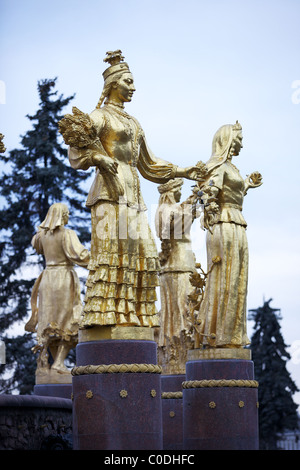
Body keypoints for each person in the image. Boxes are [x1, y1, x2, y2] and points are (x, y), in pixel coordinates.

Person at [61, 50, 206, 329]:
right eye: (128, 81)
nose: (134, 87)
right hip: (109, 192)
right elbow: (76, 151)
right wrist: (100, 158)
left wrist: (184, 170)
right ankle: (106, 316)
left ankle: (132, 316)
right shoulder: (99, 116)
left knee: (140, 252)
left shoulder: (133, 122)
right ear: (113, 84)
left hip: (133, 196)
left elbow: (149, 165)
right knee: (112, 250)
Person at [196, 121, 262, 349]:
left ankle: (232, 335)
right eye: (239, 139)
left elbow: (229, 192)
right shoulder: (217, 167)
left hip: (236, 224)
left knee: (237, 280)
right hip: (224, 226)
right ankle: (219, 334)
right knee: (226, 278)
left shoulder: (230, 168)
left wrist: (246, 186)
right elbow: (207, 194)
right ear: (227, 140)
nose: (242, 144)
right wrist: (208, 204)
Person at [25, 203, 90, 375]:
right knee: (67, 321)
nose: (68, 216)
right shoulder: (67, 234)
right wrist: (99, 261)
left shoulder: (41, 237)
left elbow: (36, 244)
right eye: (66, 213)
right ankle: (59, 363)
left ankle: (49, 364)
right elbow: (80, 255)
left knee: (50, 321)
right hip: (62, 278)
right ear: (61, 215)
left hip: (47, 279)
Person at [155, 178, 198, 373]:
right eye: (178, 189)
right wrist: (193, 202)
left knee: (186, 310)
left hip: (183, 263)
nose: (180, 192)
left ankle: (182, 355)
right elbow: (171, 228)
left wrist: (193, 201)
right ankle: (175, 357)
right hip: (176, 265)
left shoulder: (174, 209)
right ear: (170, 191)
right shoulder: (166, 210)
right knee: (178, 313)